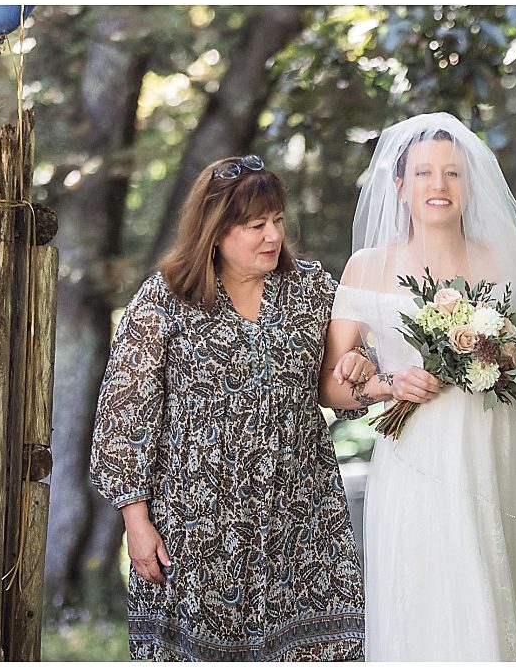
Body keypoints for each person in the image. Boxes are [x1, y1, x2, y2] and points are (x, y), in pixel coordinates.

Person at [325, 113, 516, 661]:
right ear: (399, 186)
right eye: (423, 174)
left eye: (452, 173)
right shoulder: (366, 268)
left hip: (503, 454)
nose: (438, 187)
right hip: (419, 460)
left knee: (511, 590)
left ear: (471, 184)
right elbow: (332, 385)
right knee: (431, 595)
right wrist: (384, 384)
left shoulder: (512, 263)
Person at [88, 156, 370, 661]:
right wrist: (136, 520)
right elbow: (124, 415)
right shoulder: (165, 300)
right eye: (256, 226)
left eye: (278, 221)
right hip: (198, 523)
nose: (273, 237)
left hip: (303, 518)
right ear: (215, 231)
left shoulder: (311, 289)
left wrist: (359, 365)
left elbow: (345, 372)